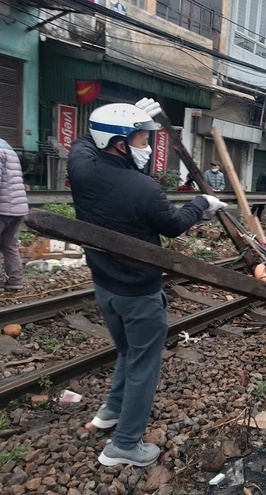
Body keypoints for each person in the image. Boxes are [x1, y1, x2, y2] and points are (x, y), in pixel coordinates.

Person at [67, 100, 224, 467]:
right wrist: (202, 202)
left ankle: (111, 411)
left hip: (105, 286)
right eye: (141, 137)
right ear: (119, 143)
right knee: (143, 365)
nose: (147, 146)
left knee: (127, 353)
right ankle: (124, 444)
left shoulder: (81, 167)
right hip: (138, 292)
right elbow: (172, 224)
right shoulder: (143, 188)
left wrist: (127, 114)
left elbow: (84, 140)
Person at [0, 139, 28, 291]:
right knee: (9, 245)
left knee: (9, 245)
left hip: (3, 207)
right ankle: (15, 280)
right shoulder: (6, 146)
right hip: (17, 207)